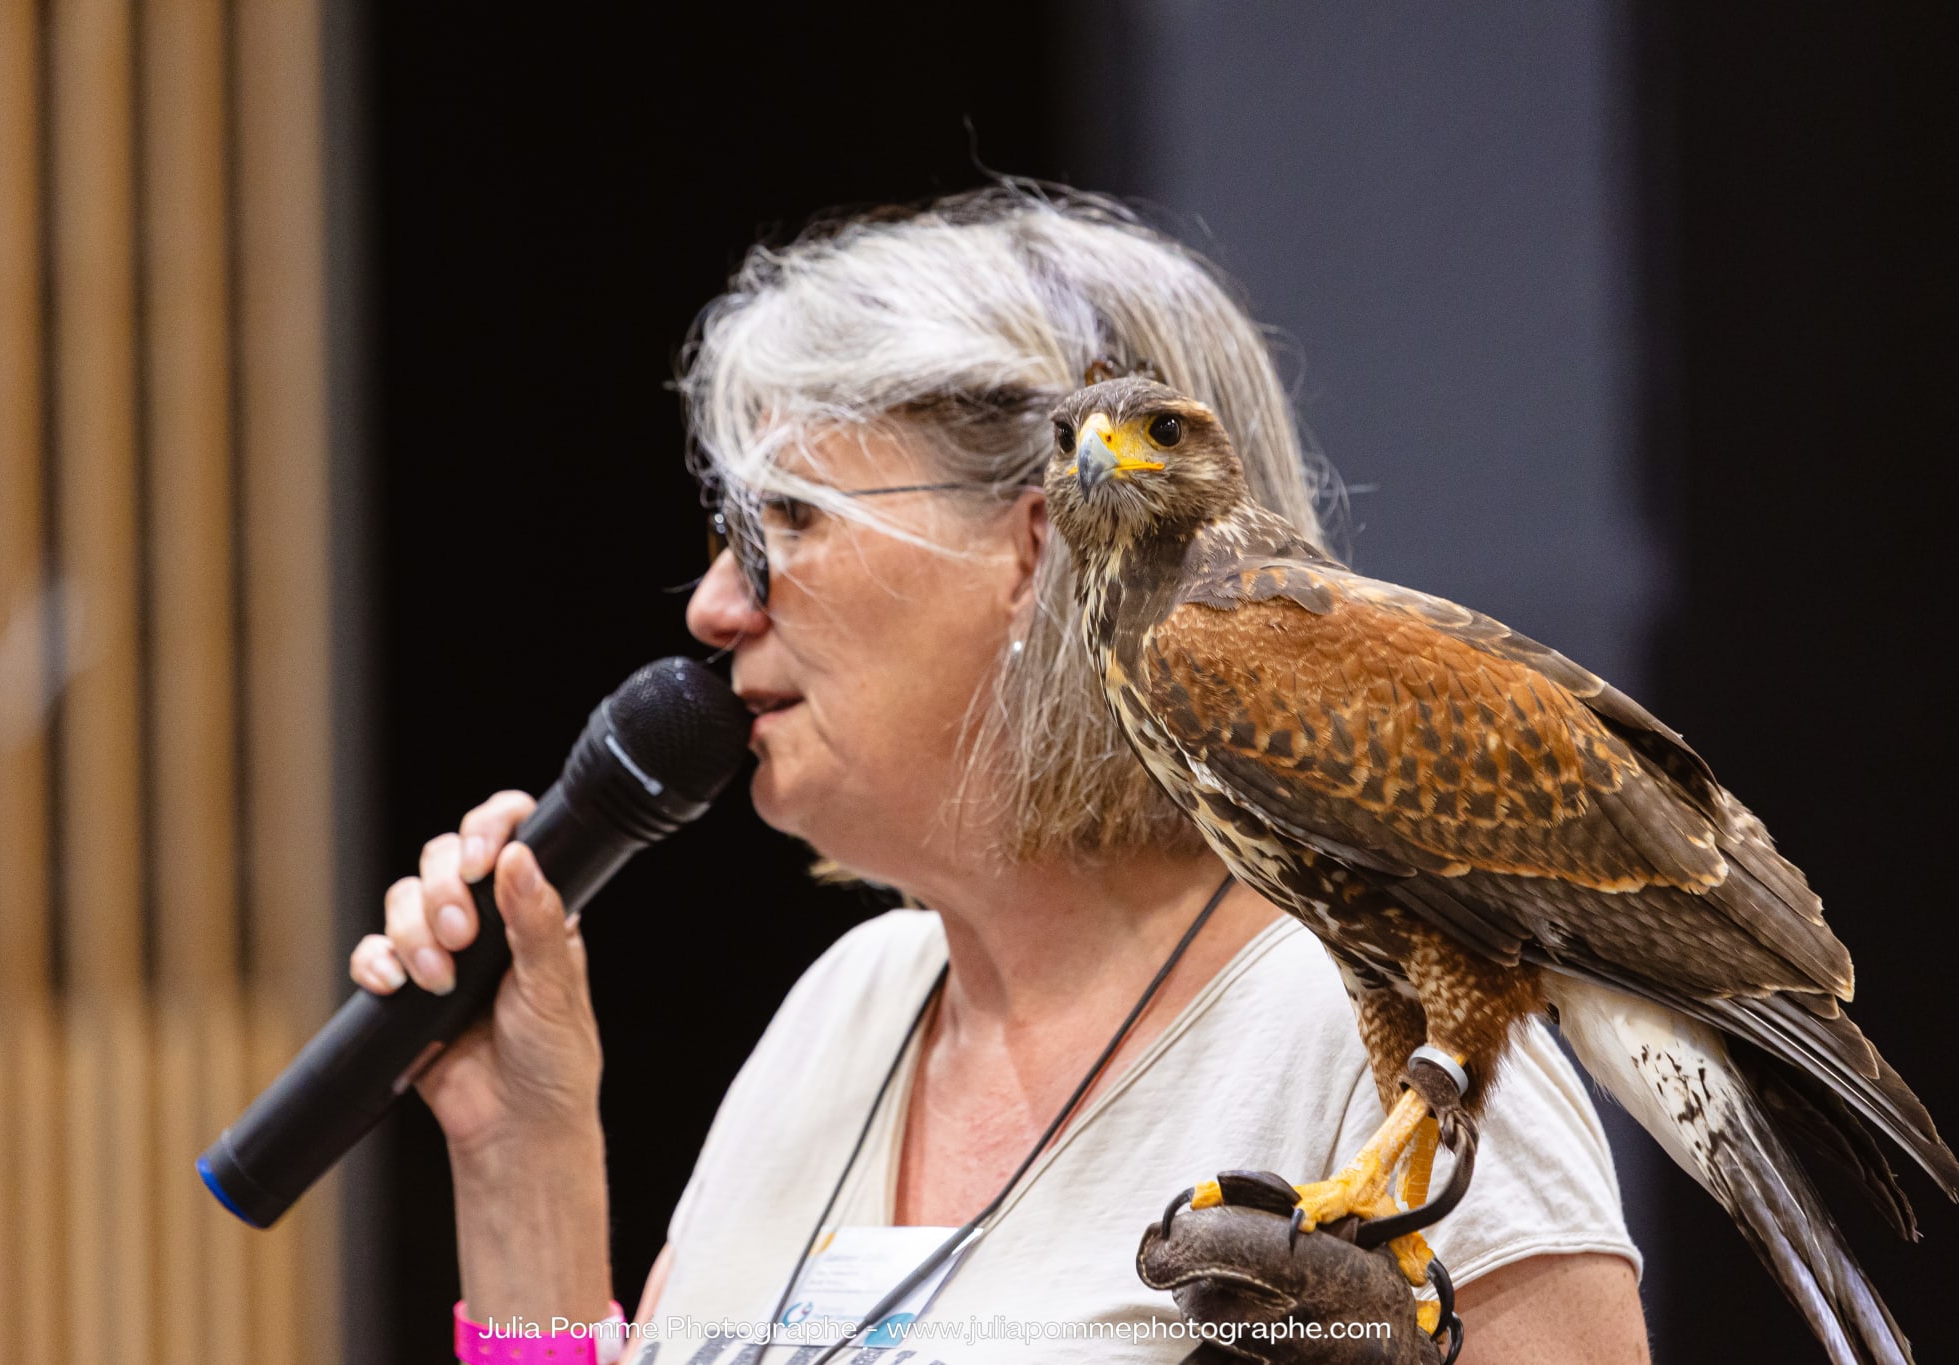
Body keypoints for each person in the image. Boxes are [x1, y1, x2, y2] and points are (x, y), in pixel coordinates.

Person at [349, 187, 1651, 1363]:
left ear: (1045, 544)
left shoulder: (1382, 1033)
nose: (710, 605)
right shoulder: (844, 1011)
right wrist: (522, 1158)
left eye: (786, 520)